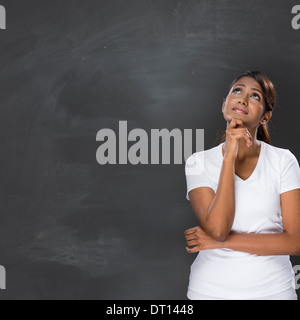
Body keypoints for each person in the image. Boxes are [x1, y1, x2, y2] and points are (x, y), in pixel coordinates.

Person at [184, 71, 300, 300]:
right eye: (237, 90)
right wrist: (229, 157)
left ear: (265, 117)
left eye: (255, 96)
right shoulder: (198, 162)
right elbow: (218, 229)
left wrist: (221, 242)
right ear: (224, 104)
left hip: (274, 293)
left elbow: (295, 242)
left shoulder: (283, 160)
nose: (243, 98)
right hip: (209, 292)